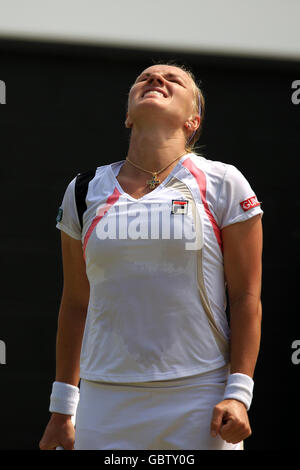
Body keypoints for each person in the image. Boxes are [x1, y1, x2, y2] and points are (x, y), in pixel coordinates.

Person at [39, 62, 263, 450]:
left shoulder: (224, 182)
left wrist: (239, 393)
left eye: (173, 80)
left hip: (201, 398)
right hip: (104, 402)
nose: (156, 80)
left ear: (193, 120)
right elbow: (76, 303)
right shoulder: (82, 191)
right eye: (145, 77)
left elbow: (246, 298)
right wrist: (62, 409)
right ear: (128, 115)